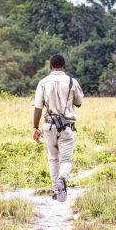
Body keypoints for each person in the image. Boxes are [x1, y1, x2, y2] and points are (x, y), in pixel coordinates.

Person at [33, 54, 84, 202]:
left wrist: (35, 128)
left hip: (48, 125)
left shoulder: (43, 82)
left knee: (53, 159)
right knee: (66, 159)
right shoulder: (71, 82)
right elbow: (79, 103)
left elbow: (38, 107)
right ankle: (63, 178)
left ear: (50, 66)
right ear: (64, 66)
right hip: (67, 126)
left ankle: (56, 190)